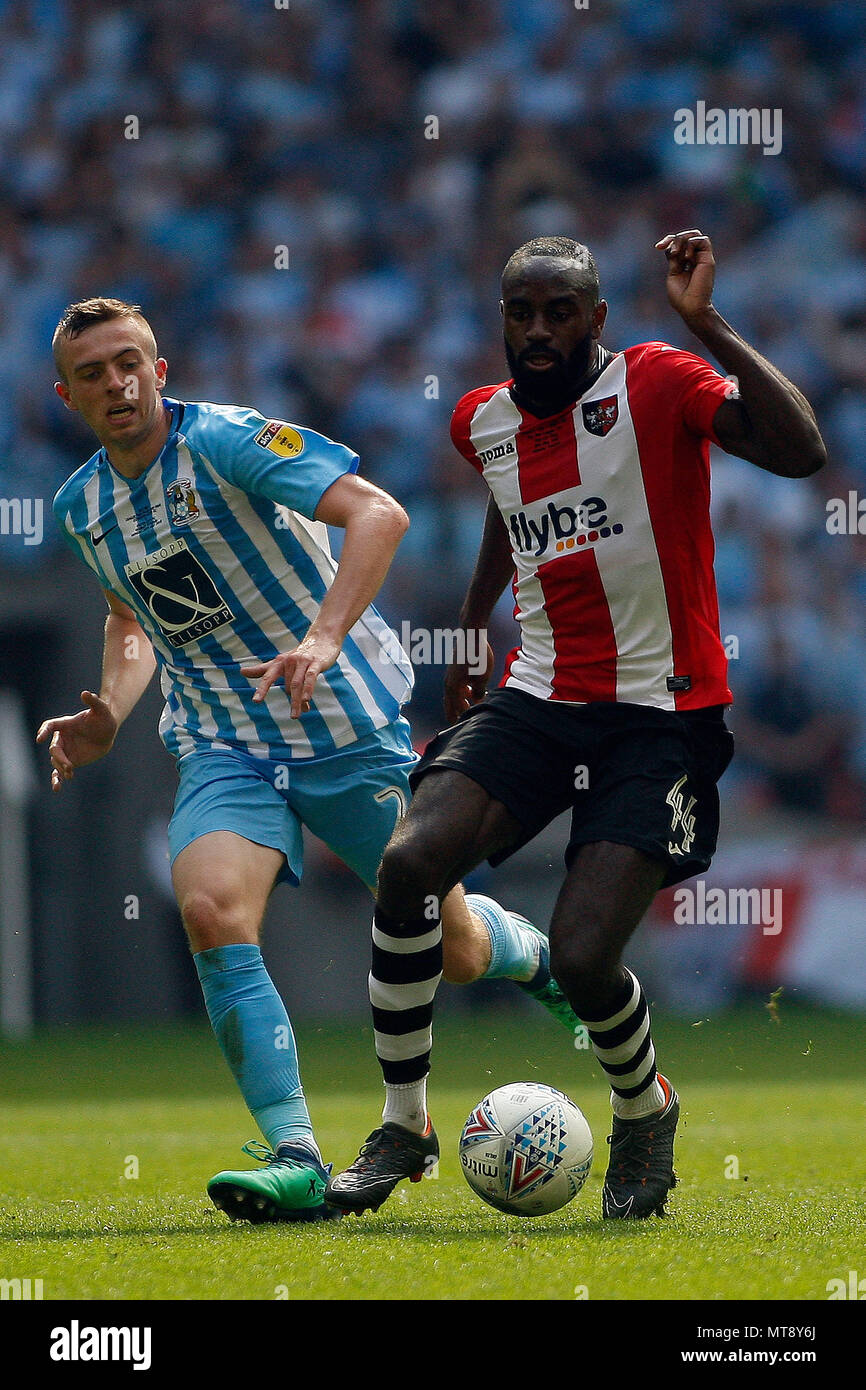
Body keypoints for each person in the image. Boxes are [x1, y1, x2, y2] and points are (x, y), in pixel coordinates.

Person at [37, 298, 580, 1224]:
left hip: (343, 725)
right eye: (93, 374)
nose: (116, 384)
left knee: (452, 950)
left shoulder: (230, 443)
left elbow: (378, 513)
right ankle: (295, 1152)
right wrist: (112, 715)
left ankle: (527, 951)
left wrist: (325, 637)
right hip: (222, 742)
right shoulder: (81, 506)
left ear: (159, 371)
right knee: (210, 910)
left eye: (129, 363)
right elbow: (130, 616)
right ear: (69, 395)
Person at [325, 229, 827, 1219]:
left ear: (596, 319)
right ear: (501, 320)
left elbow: (800, 451)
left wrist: (708, 323)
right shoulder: (482, 421)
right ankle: (400, 1123)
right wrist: (473, 623)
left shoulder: (657, 382)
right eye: (523, 311)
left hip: (661, 714)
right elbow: (508, 507)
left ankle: (644, 1108)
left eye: (562, 311)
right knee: (409, 862)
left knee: (586, 955)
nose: (541, 329)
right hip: (539, 696)